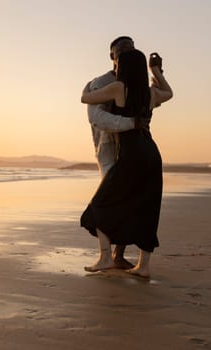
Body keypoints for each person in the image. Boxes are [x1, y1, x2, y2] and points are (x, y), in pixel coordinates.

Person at [80, 48, 173, 278]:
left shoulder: (119, 88)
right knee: (147, 208)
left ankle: (104, 257)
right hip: (151, 153)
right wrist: (156, 72)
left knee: (99, 205)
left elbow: (85, 98)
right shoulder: (151, 93)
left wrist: (89, 84)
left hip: (130, 156)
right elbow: (169, 93)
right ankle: (143, 266)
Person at [83, 36, 139, 270]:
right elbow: (96, 117)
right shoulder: (101, 82)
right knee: (106, 202)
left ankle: (118, 254)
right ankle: (105, 255)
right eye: (121, 49)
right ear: (112, 55)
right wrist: (131, 123)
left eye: (131, 49)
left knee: (128, 202)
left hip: (133, 150)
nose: (126, 52)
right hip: (107, 151)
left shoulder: (135, 79)